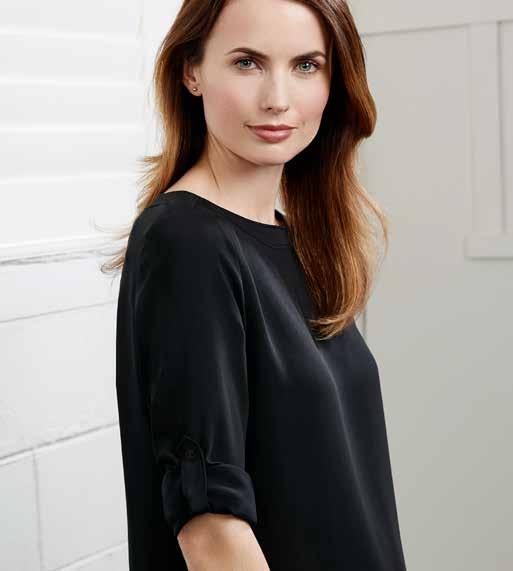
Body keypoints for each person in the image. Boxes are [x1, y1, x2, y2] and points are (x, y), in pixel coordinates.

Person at [107, 0, 408, 569]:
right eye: (247, 62)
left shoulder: (292, 238)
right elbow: (212, 530)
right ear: (191, 71)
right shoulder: (188, 241)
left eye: (306, 65)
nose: (278, 98)